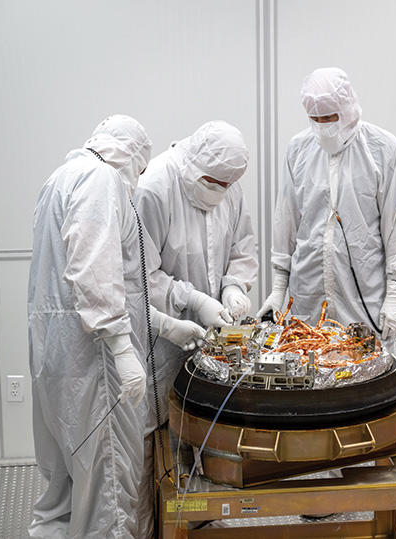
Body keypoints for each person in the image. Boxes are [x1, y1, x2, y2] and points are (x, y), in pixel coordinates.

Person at [27, 115, 206, 538]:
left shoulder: (60, 178)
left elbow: (99, 284)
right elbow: (95, 273)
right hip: (96, 368)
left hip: (59, 359)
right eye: (140, 171)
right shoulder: (100, 181)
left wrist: (162, 325)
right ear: (131, 158)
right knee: (108, 496)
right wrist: (124, 353)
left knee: (64, 495)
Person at [133, 120, 256, 535]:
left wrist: (234, 287)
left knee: (205, 425)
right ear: (194, 164)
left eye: (227, 184)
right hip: (161, 336)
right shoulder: (155, 189)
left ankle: (201, 520)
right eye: (214, 182)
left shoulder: (228, 186)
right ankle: (156, 527)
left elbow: (242, 248)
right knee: (159, 434)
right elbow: (142, 276)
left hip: (213, 338)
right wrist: (194, 301)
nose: (220, 191)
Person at [258, 67, 396, 350]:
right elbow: (287, 218)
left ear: (349, 108)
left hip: (364, 296)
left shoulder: (383, 149)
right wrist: (278, 287)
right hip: (307, 294)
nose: (322, 127)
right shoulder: (298, 149)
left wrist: (395, 289)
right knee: (309, 372)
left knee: (366, 377)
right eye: (315, 119)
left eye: (329, 118)